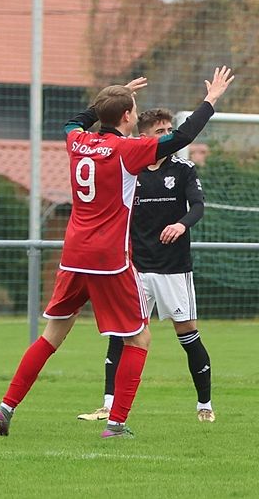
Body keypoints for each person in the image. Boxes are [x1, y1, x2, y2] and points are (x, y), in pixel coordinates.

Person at [0, 67, 234, 439]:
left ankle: (4, 410)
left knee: (51, 335)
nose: (137, 114)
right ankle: (116, 424)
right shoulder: (127, 151)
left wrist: (110, 96)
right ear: (127, 117)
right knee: (139, 338)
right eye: (133, 109)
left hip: (73, 255)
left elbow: (74, 121)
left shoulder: (77, 141)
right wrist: (210, 100)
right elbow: (182, 136)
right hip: (109, 259)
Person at [77, 108, 215, 424]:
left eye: (170, 129)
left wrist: (181, 225)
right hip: (134, 268)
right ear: (144, 137)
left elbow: (198, 206)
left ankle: (204, 405)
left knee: (188, 335)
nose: (167, 135)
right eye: (160, 131)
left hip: (173, 267)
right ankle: (109, 405)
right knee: (122, 333)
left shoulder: (183, 169)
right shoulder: (130, 168)